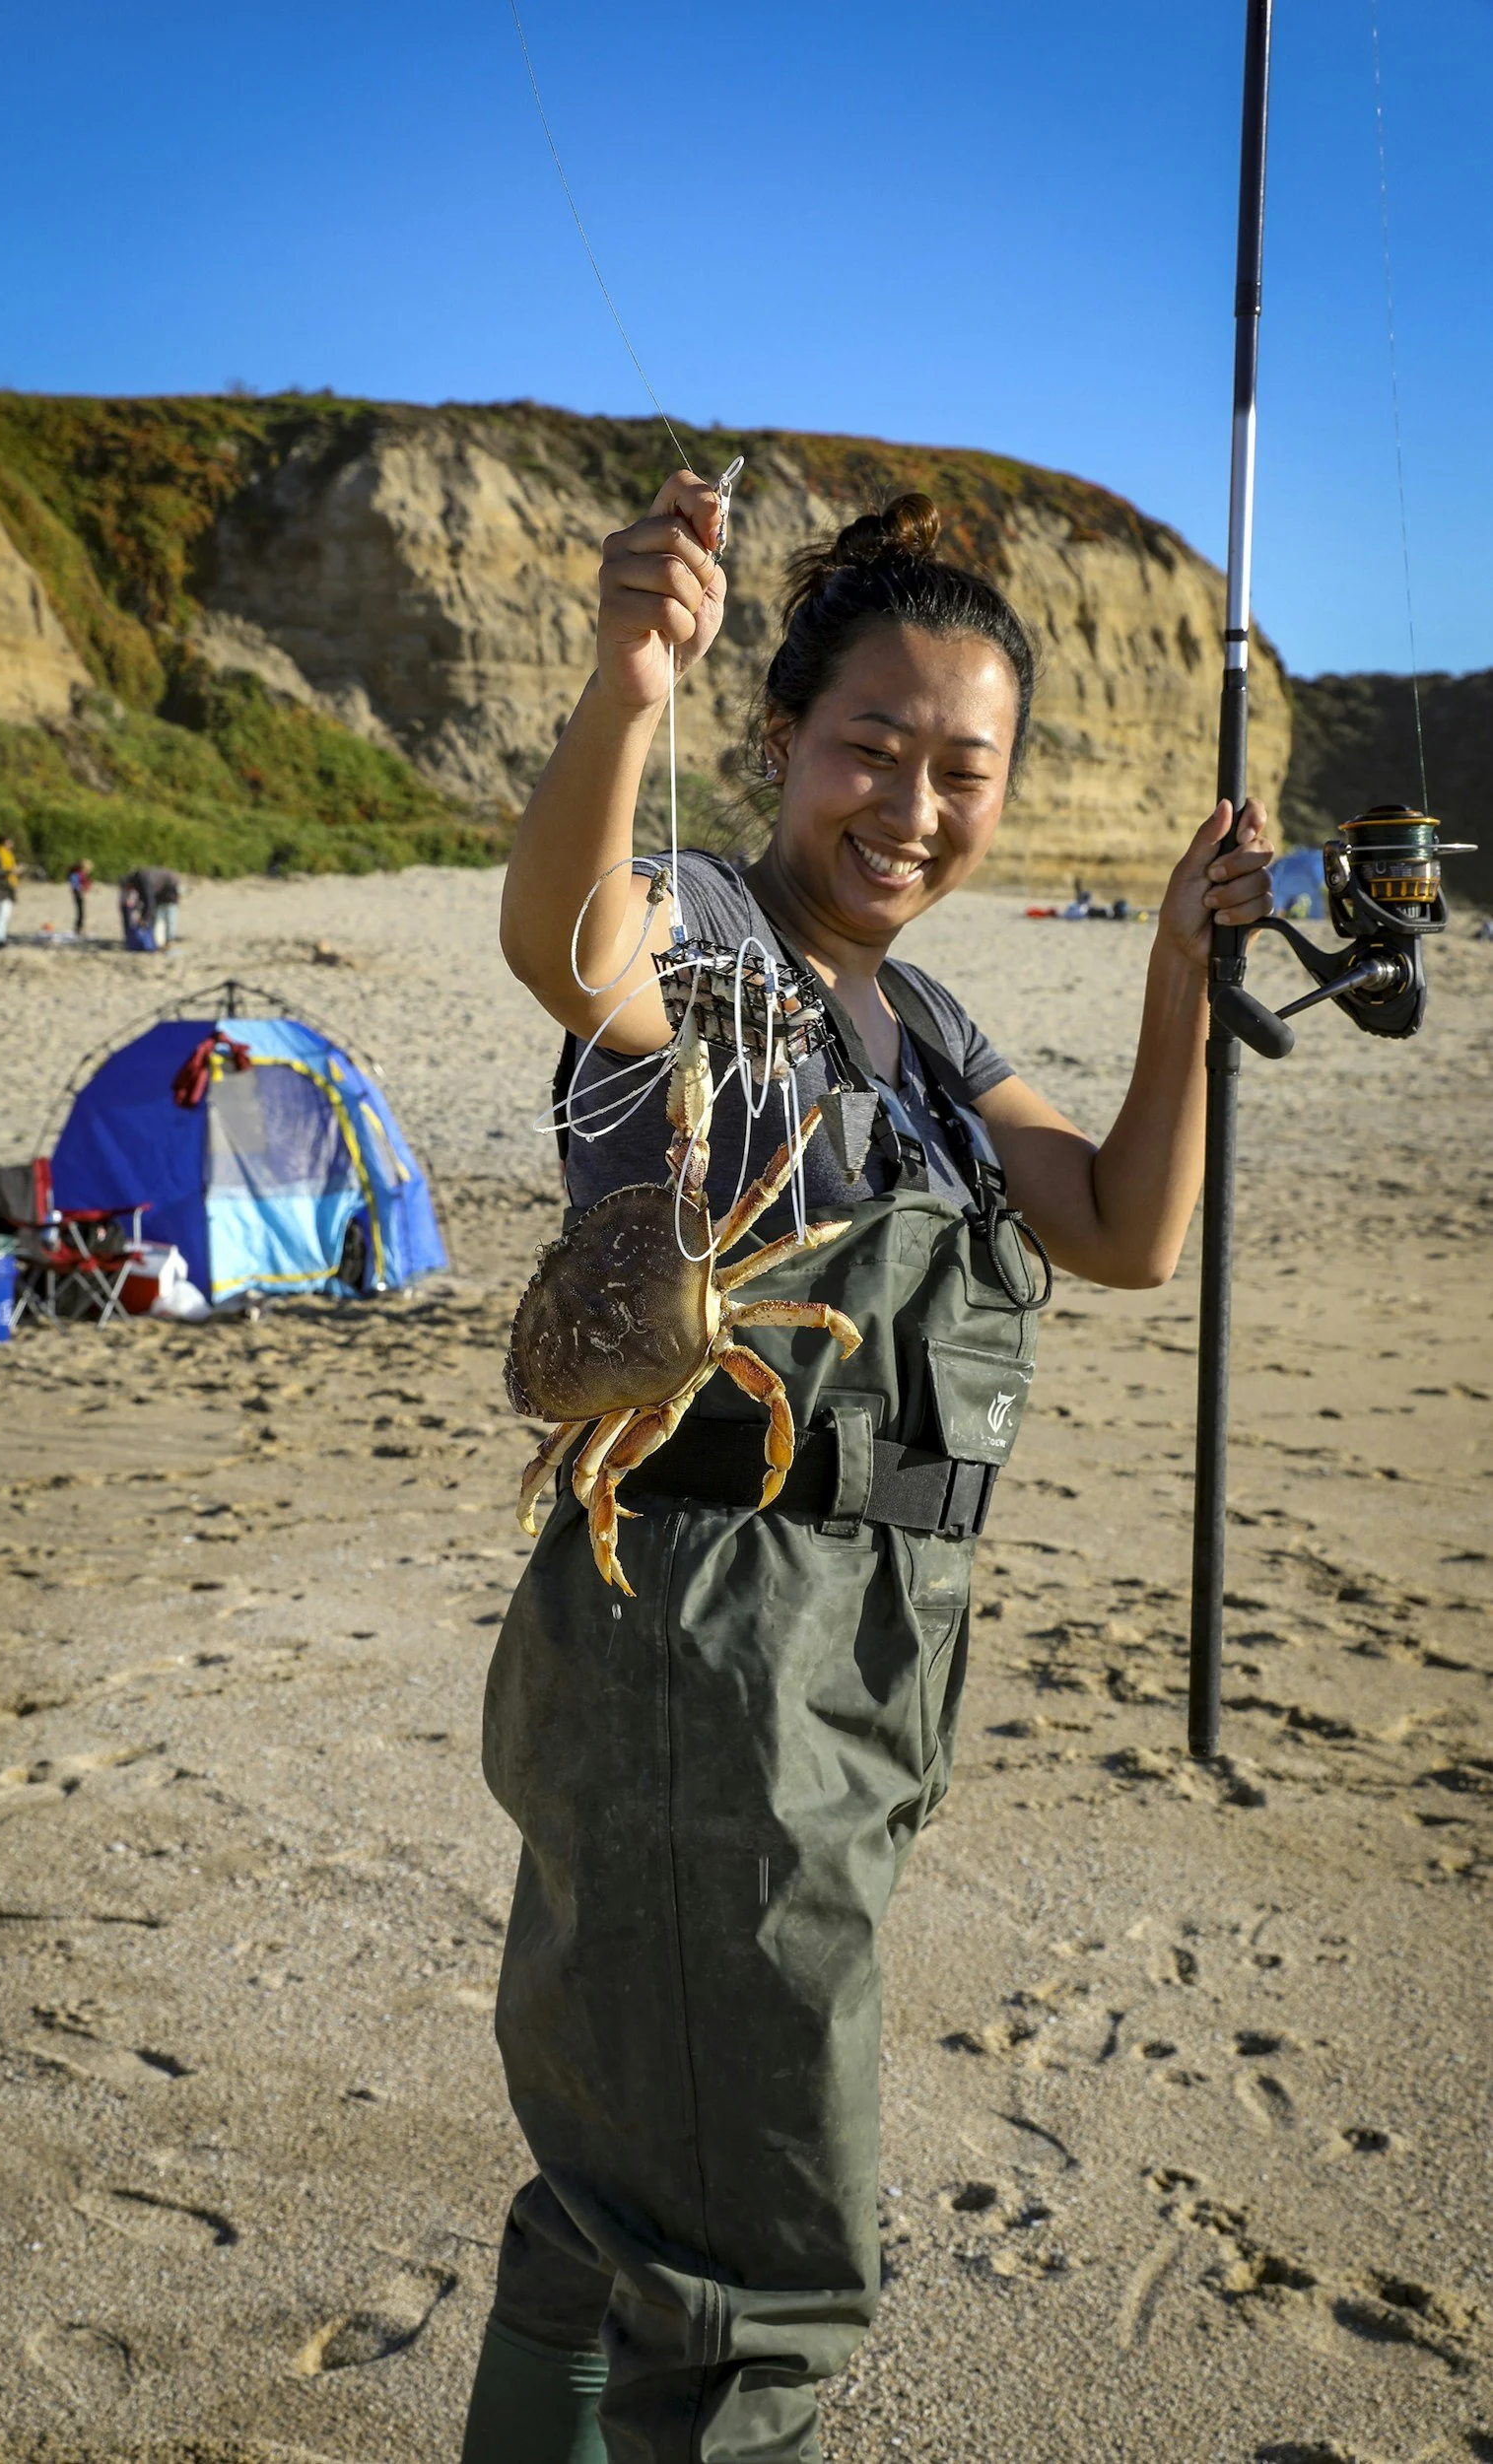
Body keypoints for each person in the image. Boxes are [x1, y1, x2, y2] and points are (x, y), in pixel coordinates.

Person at [467, 475, 1273, 2464]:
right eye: (869, 749)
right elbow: (566, 945)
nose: (910, 803)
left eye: (959, 768)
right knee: (760, 2258)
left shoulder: (919, 1020)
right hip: (707, 1646)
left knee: (625, 2210)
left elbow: (1117, 1222)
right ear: (779, 742)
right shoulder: (709, 946)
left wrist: (1179, 964)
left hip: (867, 1656)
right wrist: (618, 691)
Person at [67, 857, 93, 934]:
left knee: (81, 913)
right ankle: (78, 930)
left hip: (80, 894)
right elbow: (75, 885)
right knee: (80, 913)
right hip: (78, 894)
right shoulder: (76, 874)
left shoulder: (81, 874)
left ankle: (80, 929)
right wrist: (82, 888)